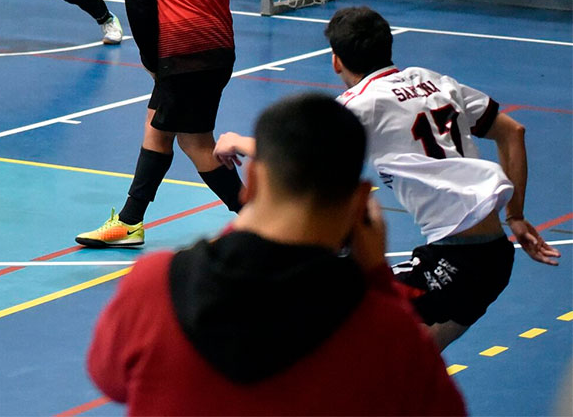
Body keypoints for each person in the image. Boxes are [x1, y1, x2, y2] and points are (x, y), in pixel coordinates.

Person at [87, 93, 466, 416]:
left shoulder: (152, 284)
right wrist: (377, 280)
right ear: (360, 202)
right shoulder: (387, 331)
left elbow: (109, 378)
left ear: (251, 182)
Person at [215, 5, 560, 349]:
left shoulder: (359, 103)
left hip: (457, 261)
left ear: (336, 61)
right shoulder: (435, 81)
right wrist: (515, 216)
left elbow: (296, 153)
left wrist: (235, 141)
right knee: (411, 361)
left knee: (335, 314)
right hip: (493, 255)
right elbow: (513, 132)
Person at [76, 0, 243, 247]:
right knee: (157, 129)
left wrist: (152, 59)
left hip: (181, 53)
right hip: (219, 46)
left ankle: (269, 224)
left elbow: (138, 1)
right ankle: (130, 221)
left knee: (196, 143)